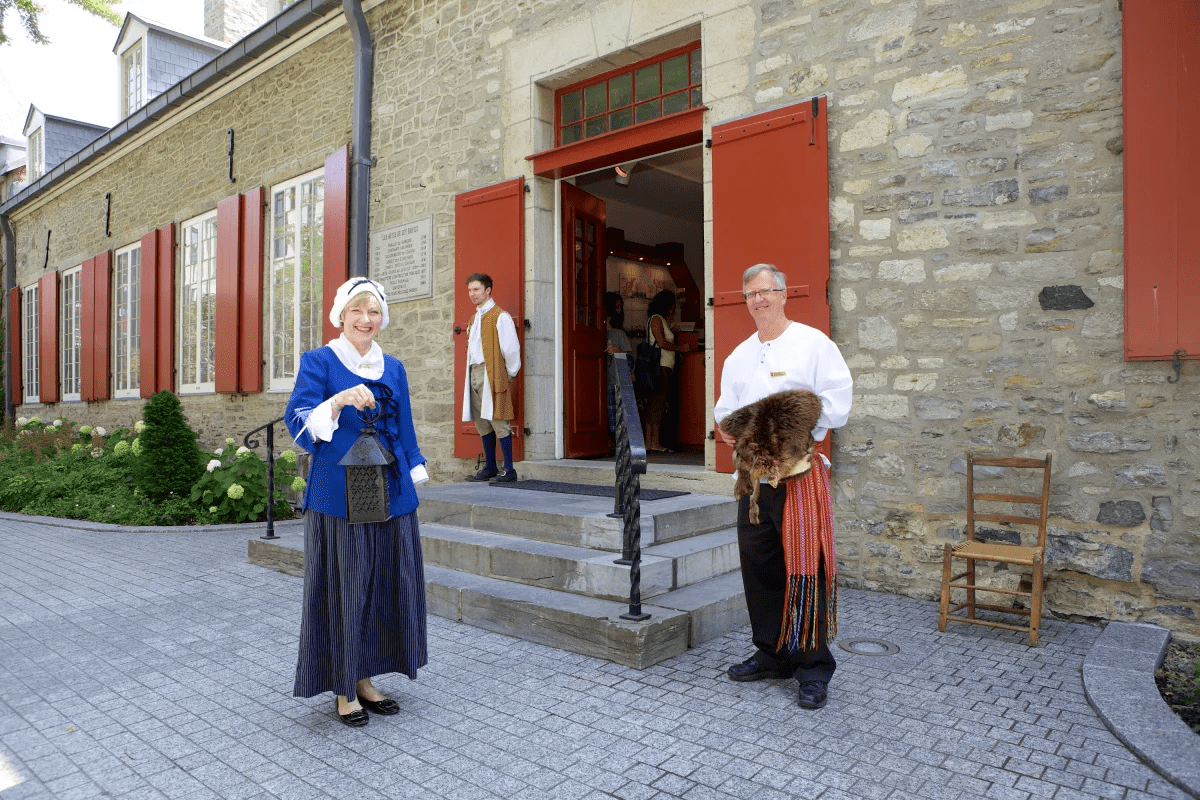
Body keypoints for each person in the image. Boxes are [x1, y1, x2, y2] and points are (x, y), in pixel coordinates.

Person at [285, 277, 429, 728]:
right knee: (346, 589)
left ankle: (365, 679)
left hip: (390, 492)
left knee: (381, 588)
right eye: (357, 311)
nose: (366, 320)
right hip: (338, 496)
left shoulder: (394, 367)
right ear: (341, 316)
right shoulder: (319, 361)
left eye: (374, 312)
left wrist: (415, 468)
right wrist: (338, 400)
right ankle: (344, 688)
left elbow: (404, 425)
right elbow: (298, 424)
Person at [713, 263, 853, 710]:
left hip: (799, 478)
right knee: (760, 569)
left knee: (806, 570)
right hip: (753, 484)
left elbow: (837, 403)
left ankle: (813, 667)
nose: (759, 300)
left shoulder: (813, 344)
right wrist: (729, 429)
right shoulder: (738, 356)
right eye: (750, 294)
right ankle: (772, 653)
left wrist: (786, 425)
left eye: (766, 291)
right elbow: (725, 409)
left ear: (783, 293)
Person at [461, 272, 522, 483]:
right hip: (474, 373)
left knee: (499, 420)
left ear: (488, 290)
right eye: (470, 290)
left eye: (476, 289)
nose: (472, 294)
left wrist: (509, 373)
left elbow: (511, 349)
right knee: (482, 422)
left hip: (492, 373)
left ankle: (509, 469)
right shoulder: (473, 319)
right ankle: (490, 467)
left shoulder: (500, 316)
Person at [644, 289, 693, 452]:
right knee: (658, 404)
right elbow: (662, 343)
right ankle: (654, 442)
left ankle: (650, 442)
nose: (674, 307)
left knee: (654, 404)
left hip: (661, 366)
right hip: (660, 366)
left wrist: (671, 331)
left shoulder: (658, 319)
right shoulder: (657, 319)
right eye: (673, 304)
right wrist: (680, 348)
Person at [603, 292, 632, 443]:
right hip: (606, 379)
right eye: (616, 306)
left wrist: (618, 350)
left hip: (614, 379)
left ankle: (615, 444)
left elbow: (629, 357)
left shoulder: (619, 334)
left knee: (615, 416)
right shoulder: (603, 332)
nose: (619, 310)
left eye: (620, 306)